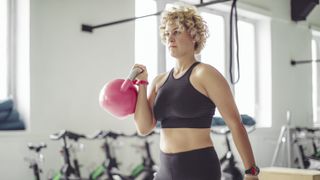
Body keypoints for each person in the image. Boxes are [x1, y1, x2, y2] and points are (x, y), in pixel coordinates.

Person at [133, 2, 259, 180]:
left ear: (194, 36)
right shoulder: (158, 81)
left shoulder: (205, 74)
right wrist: (142, 84)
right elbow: (144, 128)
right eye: (167, 33)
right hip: (165, 172)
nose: (170, 38)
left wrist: (251, 171)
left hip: (198, 169)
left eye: (176, 32)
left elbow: (235, 124)